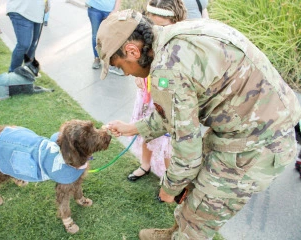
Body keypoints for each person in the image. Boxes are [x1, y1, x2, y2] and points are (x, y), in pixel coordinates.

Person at [96, 9, 301, 239]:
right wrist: (132, 128)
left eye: (120, 67)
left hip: (257, 143)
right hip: (249, 125)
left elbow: (187, 155)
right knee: (195, 191)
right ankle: (175, 231)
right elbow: (175, 113)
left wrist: (168, 188)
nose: (126, 74)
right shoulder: (174, 36)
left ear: (132, 51)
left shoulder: (166, 70)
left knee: (200, 221)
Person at [128, 0, 208, 181]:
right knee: (145, 128)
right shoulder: (148, 36)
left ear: (176, 23)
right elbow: (138, 58)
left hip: (166, 95)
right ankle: (145, 165)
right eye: (152, 24)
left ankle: (167, 176)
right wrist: (138, 75)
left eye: (162, 26)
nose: (156, 30)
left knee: (164, 135)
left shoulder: (181, 45)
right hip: (147, 94)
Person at [6, 0, 48, 72]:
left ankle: (27, 74)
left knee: (33, 44)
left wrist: (47, 3)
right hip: (20, 10)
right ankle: (13, 74)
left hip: (37, 13)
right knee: (24, 45)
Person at [85, 0, 124, 76]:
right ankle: (97, 58)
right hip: (94, 9)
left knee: (110, 37)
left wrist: (115, 10)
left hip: (110, 11)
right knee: (96, 36)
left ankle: (110, 62)